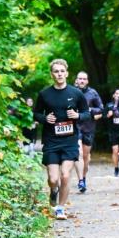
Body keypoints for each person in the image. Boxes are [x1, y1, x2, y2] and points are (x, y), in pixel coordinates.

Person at [34, 59, 89, 220]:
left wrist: (78, 115)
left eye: (61, 71)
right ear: (52, 74)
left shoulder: (76, 93)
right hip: (51, 141)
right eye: (56, 71)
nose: (59, 74)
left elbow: (86, 114)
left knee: (65, 175)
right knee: (53, 179)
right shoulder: (44, 94)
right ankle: (53, 191)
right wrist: (45, 119)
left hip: (70, 141)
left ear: (66, 73)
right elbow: (36, 113)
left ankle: (60, 208)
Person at [72, 71, 103, 193]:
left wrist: (89, 110)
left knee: (86, 157)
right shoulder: (71, 92)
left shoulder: (93, 93)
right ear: (77, 80)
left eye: (84, 79)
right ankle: (80, 181)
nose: (82, 81)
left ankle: (83, 178)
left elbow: (101, 108)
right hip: (75, 127)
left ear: (87, 81)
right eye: (80, 79)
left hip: (89, 127)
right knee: (78, 153)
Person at [105, 88, 119, 176]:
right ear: (114, 95)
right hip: (113, 131)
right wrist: (108, 115)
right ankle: (116, 168)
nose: (118, 95)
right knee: (115, 150)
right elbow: (103, 116)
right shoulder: (109, 105)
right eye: (117, 93)